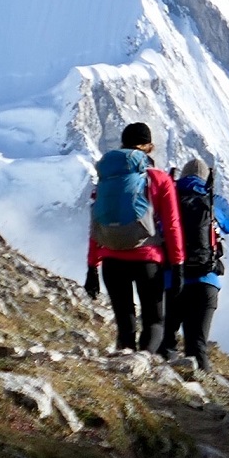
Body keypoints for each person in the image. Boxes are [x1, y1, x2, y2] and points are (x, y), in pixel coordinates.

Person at [84, 122, 184, 355]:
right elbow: (172, 225)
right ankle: (143, 364)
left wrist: (92, 267)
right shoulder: (159, 179)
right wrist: (178, 264)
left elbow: (95, 223)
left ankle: (125, 367)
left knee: (125, 323)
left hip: (111, 259)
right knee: (154, 321)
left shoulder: (107, 179)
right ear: (149, 147)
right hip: (148, 260)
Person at [171, 157, 229, 371]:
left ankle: (165, 384)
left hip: (173, 279)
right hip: (206, 281)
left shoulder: (171, 196)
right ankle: (203, 393)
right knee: (197, 344)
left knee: (166, 340)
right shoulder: (212, 199)